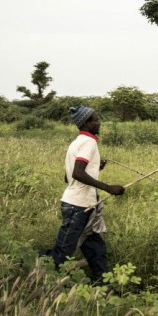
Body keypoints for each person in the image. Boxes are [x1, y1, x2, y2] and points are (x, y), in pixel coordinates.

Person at [39, 105, 125, 282]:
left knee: (96, 250)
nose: (98, 122)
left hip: (85, 206)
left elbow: (67, 176)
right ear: (86, 123)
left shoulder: (76, 143)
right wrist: (108, 187)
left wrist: (95, 167)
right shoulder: (89, 142)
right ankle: (30, 267)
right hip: (78, 207)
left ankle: (104, 286)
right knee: (62, 252)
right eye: (95, 120)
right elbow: (77, 173)